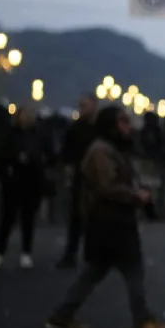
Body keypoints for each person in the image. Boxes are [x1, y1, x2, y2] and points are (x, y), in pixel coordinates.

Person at [46, 105, 165, 328]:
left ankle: (62, 316)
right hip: (111, 220)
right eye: (123, 121)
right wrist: (136, 196)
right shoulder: (101, 151)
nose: (129, 126)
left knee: (95, 272)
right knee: (132, 270)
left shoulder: (110, 149)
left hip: (110, 221)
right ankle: (142, 320)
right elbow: (107, 187)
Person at [0, 105, 51, 269]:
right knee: (8, 219)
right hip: (15, 180)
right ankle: (0, 252)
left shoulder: (36, 135)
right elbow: (1, 154)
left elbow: (50, 154)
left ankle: (25, 252)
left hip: (31, 180)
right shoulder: (13, 135)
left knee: (27, 219)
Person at [57, 95, 98, 268]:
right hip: (81, 177)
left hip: (97, 177)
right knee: (77, 216)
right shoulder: (75, 129)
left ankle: (93, 254)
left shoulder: (99, 129)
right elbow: (67, 153)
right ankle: (71, 253)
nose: (83, 109)